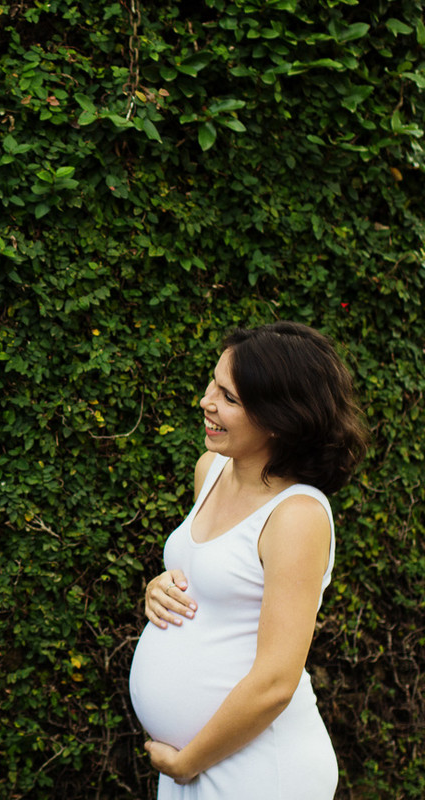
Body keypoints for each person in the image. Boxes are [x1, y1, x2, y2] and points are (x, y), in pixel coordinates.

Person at [128, 321, 367, 799]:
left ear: (279, 417)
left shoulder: (297, 515)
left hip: (259, 769)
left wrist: (187, 762)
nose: (206, 402)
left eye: (230, 398)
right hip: (195, 763)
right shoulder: (210, 470)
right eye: (213, 384)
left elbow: (277, 679)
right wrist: (159, 588)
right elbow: (213, 581)